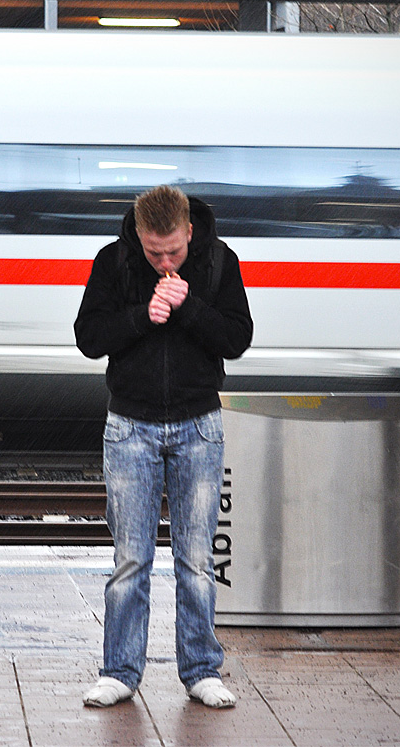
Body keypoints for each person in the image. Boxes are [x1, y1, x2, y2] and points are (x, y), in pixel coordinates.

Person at [74, 185, 253, 709]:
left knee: (196, 560)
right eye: (154, 253)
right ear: (138, 234)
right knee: (131, 559)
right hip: (131, 424)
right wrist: (141, 315)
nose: (164, 261)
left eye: (173, 251)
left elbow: (237, 338)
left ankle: (201, 670)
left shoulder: (220, 261)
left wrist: (188, 307)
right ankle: (120, 672)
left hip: (199, 424)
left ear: (189, 231)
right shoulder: (114, 262)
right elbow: (88, 336)